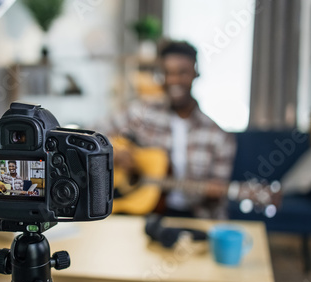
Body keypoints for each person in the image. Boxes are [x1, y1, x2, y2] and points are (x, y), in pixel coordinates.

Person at [100, 40, 237, 219]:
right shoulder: (141, 112)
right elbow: (93, 134)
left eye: (182, 72)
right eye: (167, 73)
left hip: (196, 218)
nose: (173, 80)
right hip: (144, 216)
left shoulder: (219, 137)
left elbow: (217, 198)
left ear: (196, 73)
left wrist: (214, 194)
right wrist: (115, 153)